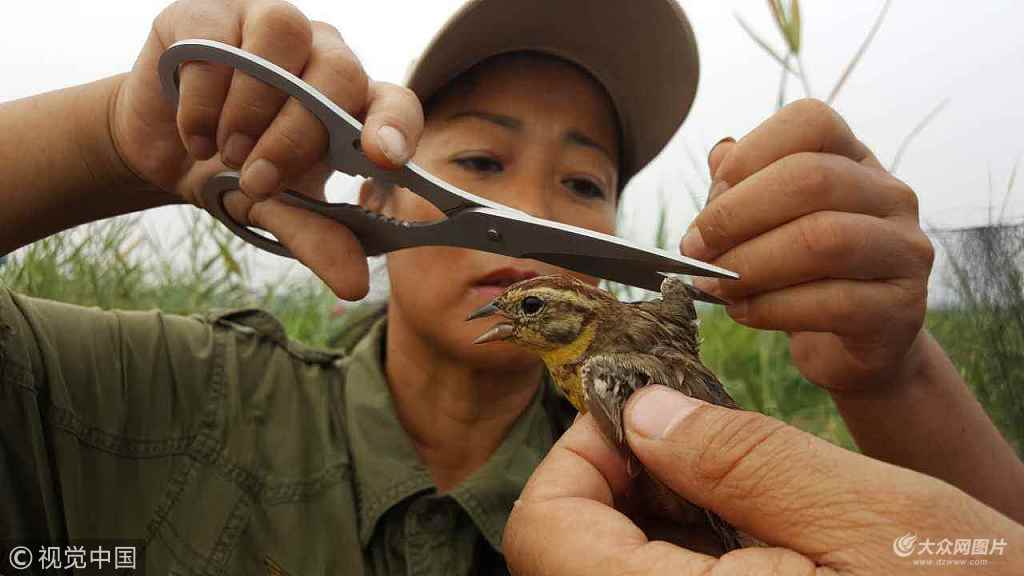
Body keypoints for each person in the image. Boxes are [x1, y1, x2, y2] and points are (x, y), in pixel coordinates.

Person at [0, 0, 1020, 575]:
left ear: (620, 236)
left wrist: (890, 376)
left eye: (582, 183)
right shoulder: (177, 397)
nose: (531, 213)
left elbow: (972, 545)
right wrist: (116, 143)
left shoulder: (672, 447)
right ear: (380, 190)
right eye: (480, 166)